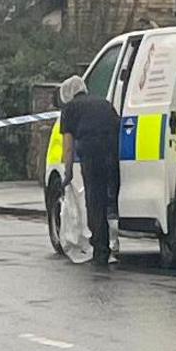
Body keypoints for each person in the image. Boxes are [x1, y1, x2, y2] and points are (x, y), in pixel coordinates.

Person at [56, 68, 128, 271]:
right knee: (109, 201)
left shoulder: (70, 109)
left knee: (94, 201)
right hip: (112, 154)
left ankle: (101, 249)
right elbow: (117, 126)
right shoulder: (104, 104)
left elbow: (68, 146)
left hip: (92, 155)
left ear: (68, 94)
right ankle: (112, 242)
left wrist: (68, 173)